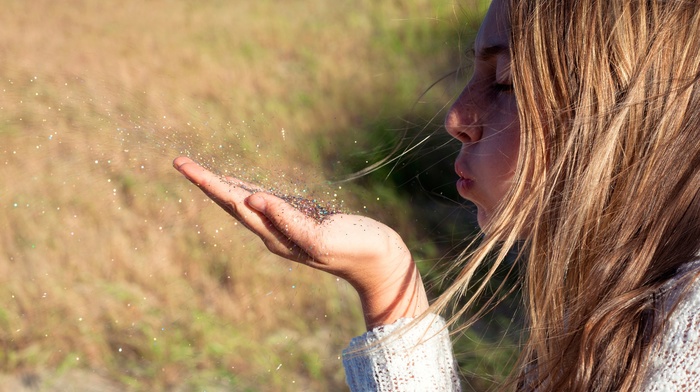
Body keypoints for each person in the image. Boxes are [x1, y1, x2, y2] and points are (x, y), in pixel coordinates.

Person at [173, 0, 700, 390]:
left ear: (629, 113)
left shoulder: (689, 329)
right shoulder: (616, 300)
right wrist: (384, 280)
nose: (456, 117)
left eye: (507, 82)